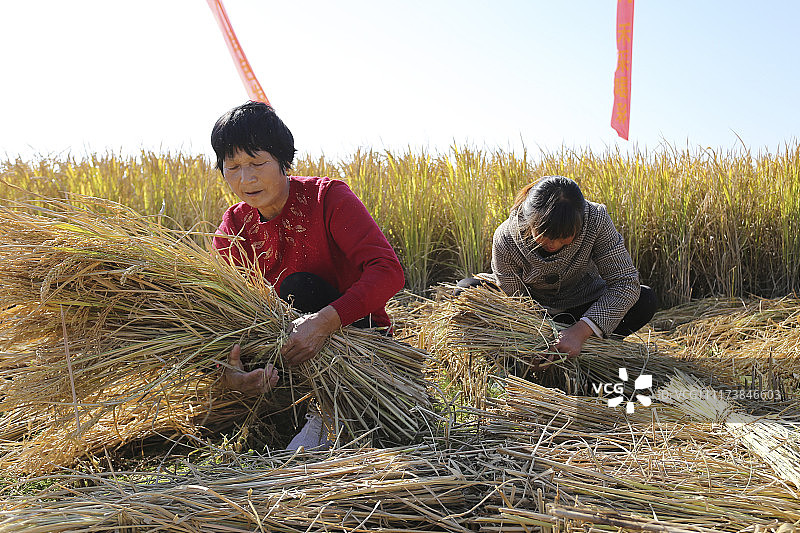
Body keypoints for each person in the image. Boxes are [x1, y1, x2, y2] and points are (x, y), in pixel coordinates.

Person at [210, 101, 405, 447]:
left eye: (257, 163)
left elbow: (388, 272)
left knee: (299, 287)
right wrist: (233, 375)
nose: (246, 178)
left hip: (354, 345)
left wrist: (323, 323)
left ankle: (328, 413)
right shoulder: (234, 227)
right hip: (287, 348)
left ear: (283, 160)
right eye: (233, 166)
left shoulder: (327, 198)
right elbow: (225, 314)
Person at [458, 175, 656, 362]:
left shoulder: (596, 220)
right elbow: (516, 300)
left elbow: (625, 282)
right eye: (544, 235)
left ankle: (589, 345)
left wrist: (581, 330)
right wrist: (533, 336)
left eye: (564, 237)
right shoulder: (506, 237)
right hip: (534, 309)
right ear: (530, 222)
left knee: (645, 300)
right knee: (466, 291)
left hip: (583, 304)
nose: (553, 244)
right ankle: (519, 357)